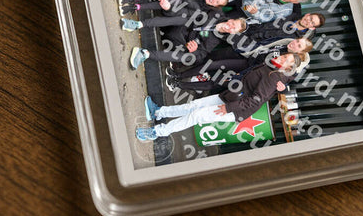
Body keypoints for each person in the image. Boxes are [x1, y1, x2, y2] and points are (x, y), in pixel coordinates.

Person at [136, 53, 306, 141]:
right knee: (193, 106)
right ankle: (158, 112)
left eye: (286, 59)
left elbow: (255, 100)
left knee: (196, 115)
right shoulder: (271, 67)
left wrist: (229, 108)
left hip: (234, 108)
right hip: (230, 96)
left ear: (288, 68)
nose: (282, 57)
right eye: (285, 55)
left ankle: (157, 132)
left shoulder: (274, 78)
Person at [166, 38, 313, 92]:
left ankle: (179, 85)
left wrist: (283, 90)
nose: (295, 43)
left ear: (300, 53)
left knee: (216, 82)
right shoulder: (283, 45)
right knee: (213, 65)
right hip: (246, 61)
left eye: (299, 45)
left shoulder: (291, 68)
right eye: (297, 41)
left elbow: (284, 83)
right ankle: (178, 75)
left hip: (248, 76)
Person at [129, 18, 248, 69]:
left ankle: (145, 54)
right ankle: (138, 24)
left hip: (179, 41)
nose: (230, 27)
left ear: (233, 33)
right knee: (184, 17)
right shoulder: (215, 14)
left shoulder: (217, 39)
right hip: (179, 25)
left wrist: (194, 49)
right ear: (231, 20)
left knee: (189, 57)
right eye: (233, 24)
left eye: (234, 29)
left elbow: (203, 52)